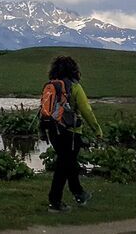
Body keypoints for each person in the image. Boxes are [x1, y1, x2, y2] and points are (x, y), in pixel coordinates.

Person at [44, 55, 103, 213]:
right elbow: (86, 111)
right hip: (70, 133)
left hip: (53, 132)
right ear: (74, 70)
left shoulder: (52, 86)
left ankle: (79, 193)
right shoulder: (75, 87)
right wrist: (97, 130)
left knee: (68, 164)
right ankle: (55, 202)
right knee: (64, 166)